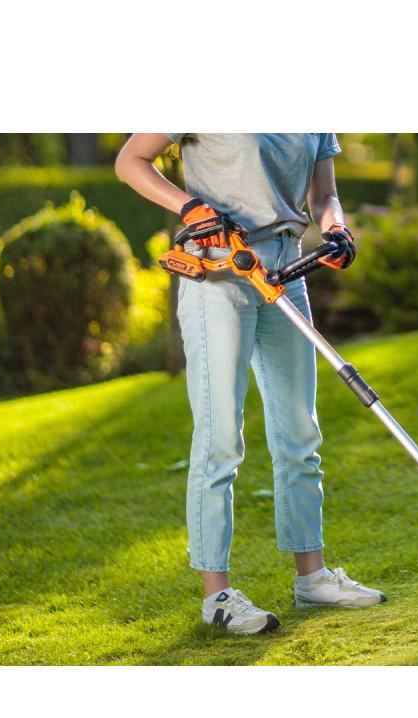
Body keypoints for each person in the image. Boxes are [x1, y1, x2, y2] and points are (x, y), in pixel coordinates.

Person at [115, 134, 386, 635]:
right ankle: (217, 596)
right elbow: (130, 160)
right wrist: (190, 207)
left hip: (287, 268)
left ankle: (312, 578)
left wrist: (335, 227)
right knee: (220, 439)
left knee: (300, 434)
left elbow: (324, 194)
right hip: (219, 268)